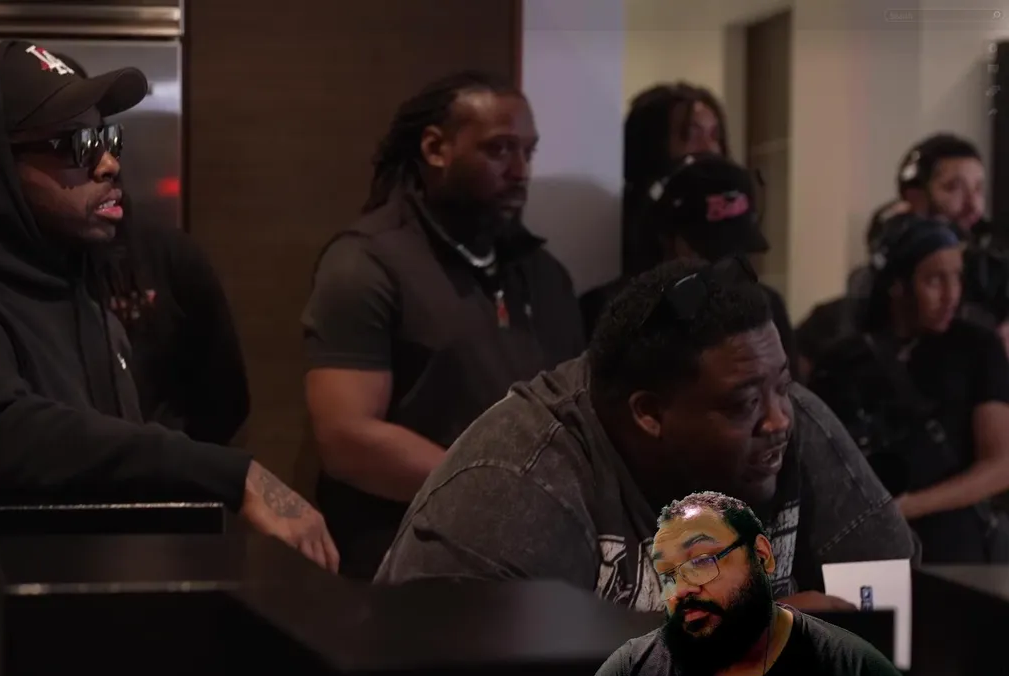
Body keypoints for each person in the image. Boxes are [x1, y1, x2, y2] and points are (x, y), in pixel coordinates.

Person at [0, 40, 337, 571]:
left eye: (107, 137)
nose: (109, 164)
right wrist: (227, 474)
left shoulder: (87, 298)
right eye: (76, 144)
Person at [376, 257, 917, 612]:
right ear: (649, 414)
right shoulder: (516, 485)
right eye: (745, 404)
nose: (778, 420)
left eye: (783, 385)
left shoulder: (793, 423)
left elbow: (895, 597)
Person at [301, 71, 585, 578]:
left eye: (528, 152)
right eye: (499, 150)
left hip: (530, 560)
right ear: (436, 148)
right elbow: (346, 438)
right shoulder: (366, 262)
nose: (520, 171)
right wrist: (493, 493)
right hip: (406, 560)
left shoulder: (544, 274)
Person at [572, 491, 931, 676]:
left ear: (761, 555)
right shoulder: (632, 673)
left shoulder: (852, 671)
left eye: (701, 561)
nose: (681, 590)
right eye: (667, 575)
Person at [55, 52, 250, 445]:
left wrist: (169, 467)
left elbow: (224, 399)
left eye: (99, 136)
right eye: (71, 142)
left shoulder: (166, 255)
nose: (105, 164)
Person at [809, 215, 1009, 562]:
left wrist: (908, 506)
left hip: (954, 550)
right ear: (897, 285)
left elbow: (1001, 465)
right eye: (934, 279)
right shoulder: (842, 360)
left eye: (957, 276)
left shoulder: (978, 347)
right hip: (865, 550)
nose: (952, 294)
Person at [797, 133, 990, 375]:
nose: (974, 207)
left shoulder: (989, 299)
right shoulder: (841, 316)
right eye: (953, 188)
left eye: (979, 189)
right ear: (913, 198)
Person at [580, 153, 796, 367]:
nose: (727, 267)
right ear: (666, 239)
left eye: (739, 251)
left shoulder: (767, 306)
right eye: (712, 253)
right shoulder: (615, 313)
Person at [611, 82, 729, 283]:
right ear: (652, 145)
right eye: (691, 135)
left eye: (714, 135)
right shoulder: (626, 226)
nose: (710, 148)